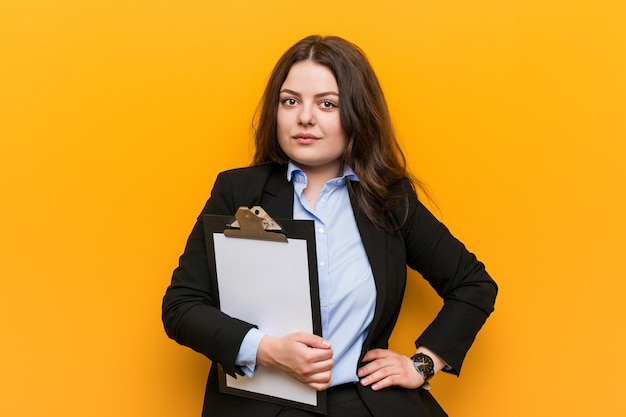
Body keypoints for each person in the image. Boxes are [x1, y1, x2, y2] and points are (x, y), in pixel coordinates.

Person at [162, 35, 497, 417]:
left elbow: (474, 285)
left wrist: (420, 365)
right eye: (290, 101)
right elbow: (181, 306)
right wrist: (266, 350)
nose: (305, 117)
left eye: (327, 104)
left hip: (364, 402)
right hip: (262, 404)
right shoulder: (238, 191)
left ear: (357, 112)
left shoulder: (389, 199)